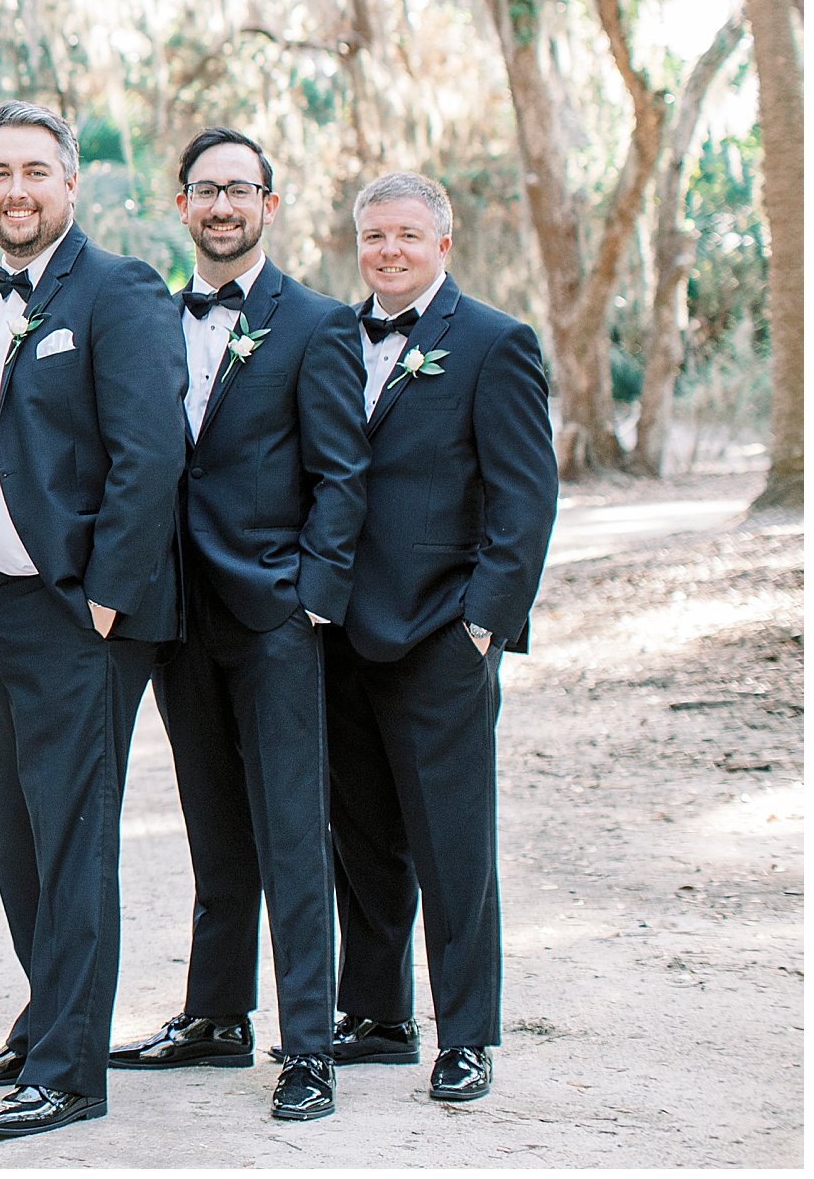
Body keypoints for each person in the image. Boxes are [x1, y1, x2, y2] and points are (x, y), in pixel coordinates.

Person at [0, 101, 186, 1142]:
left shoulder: (118, 290)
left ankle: (73, 1069)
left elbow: (150, 452)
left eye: (36, 170)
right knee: (17, 836)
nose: (16, 189)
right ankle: (45, 1019)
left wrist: (103, 595)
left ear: (70, 184)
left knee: (72, 837)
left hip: (77, 609)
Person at [108, 130, 367, 1123]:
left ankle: (307, 1046)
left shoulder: (315, 323)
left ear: (269, 200)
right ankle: (214, 1015)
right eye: (205, 189)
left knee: (293, 831)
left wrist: (310, 594)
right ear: (181, 205)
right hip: (175, 613)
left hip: (271, 616)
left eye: (238, 189)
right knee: (215, 827)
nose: (221, 205)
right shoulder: (150, 317)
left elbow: (344, 475)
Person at [325, 171, 557, 1106]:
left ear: (443, 244)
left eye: (407, 236)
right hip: (340, 634)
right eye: (374, 235)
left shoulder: (496, 343)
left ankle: (466, 1036)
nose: (388, 250)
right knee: (363, 837)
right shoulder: (335, 336)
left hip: (440, 637)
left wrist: (481, 629)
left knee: (454, 844)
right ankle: (378, 1016)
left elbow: (525, 502)